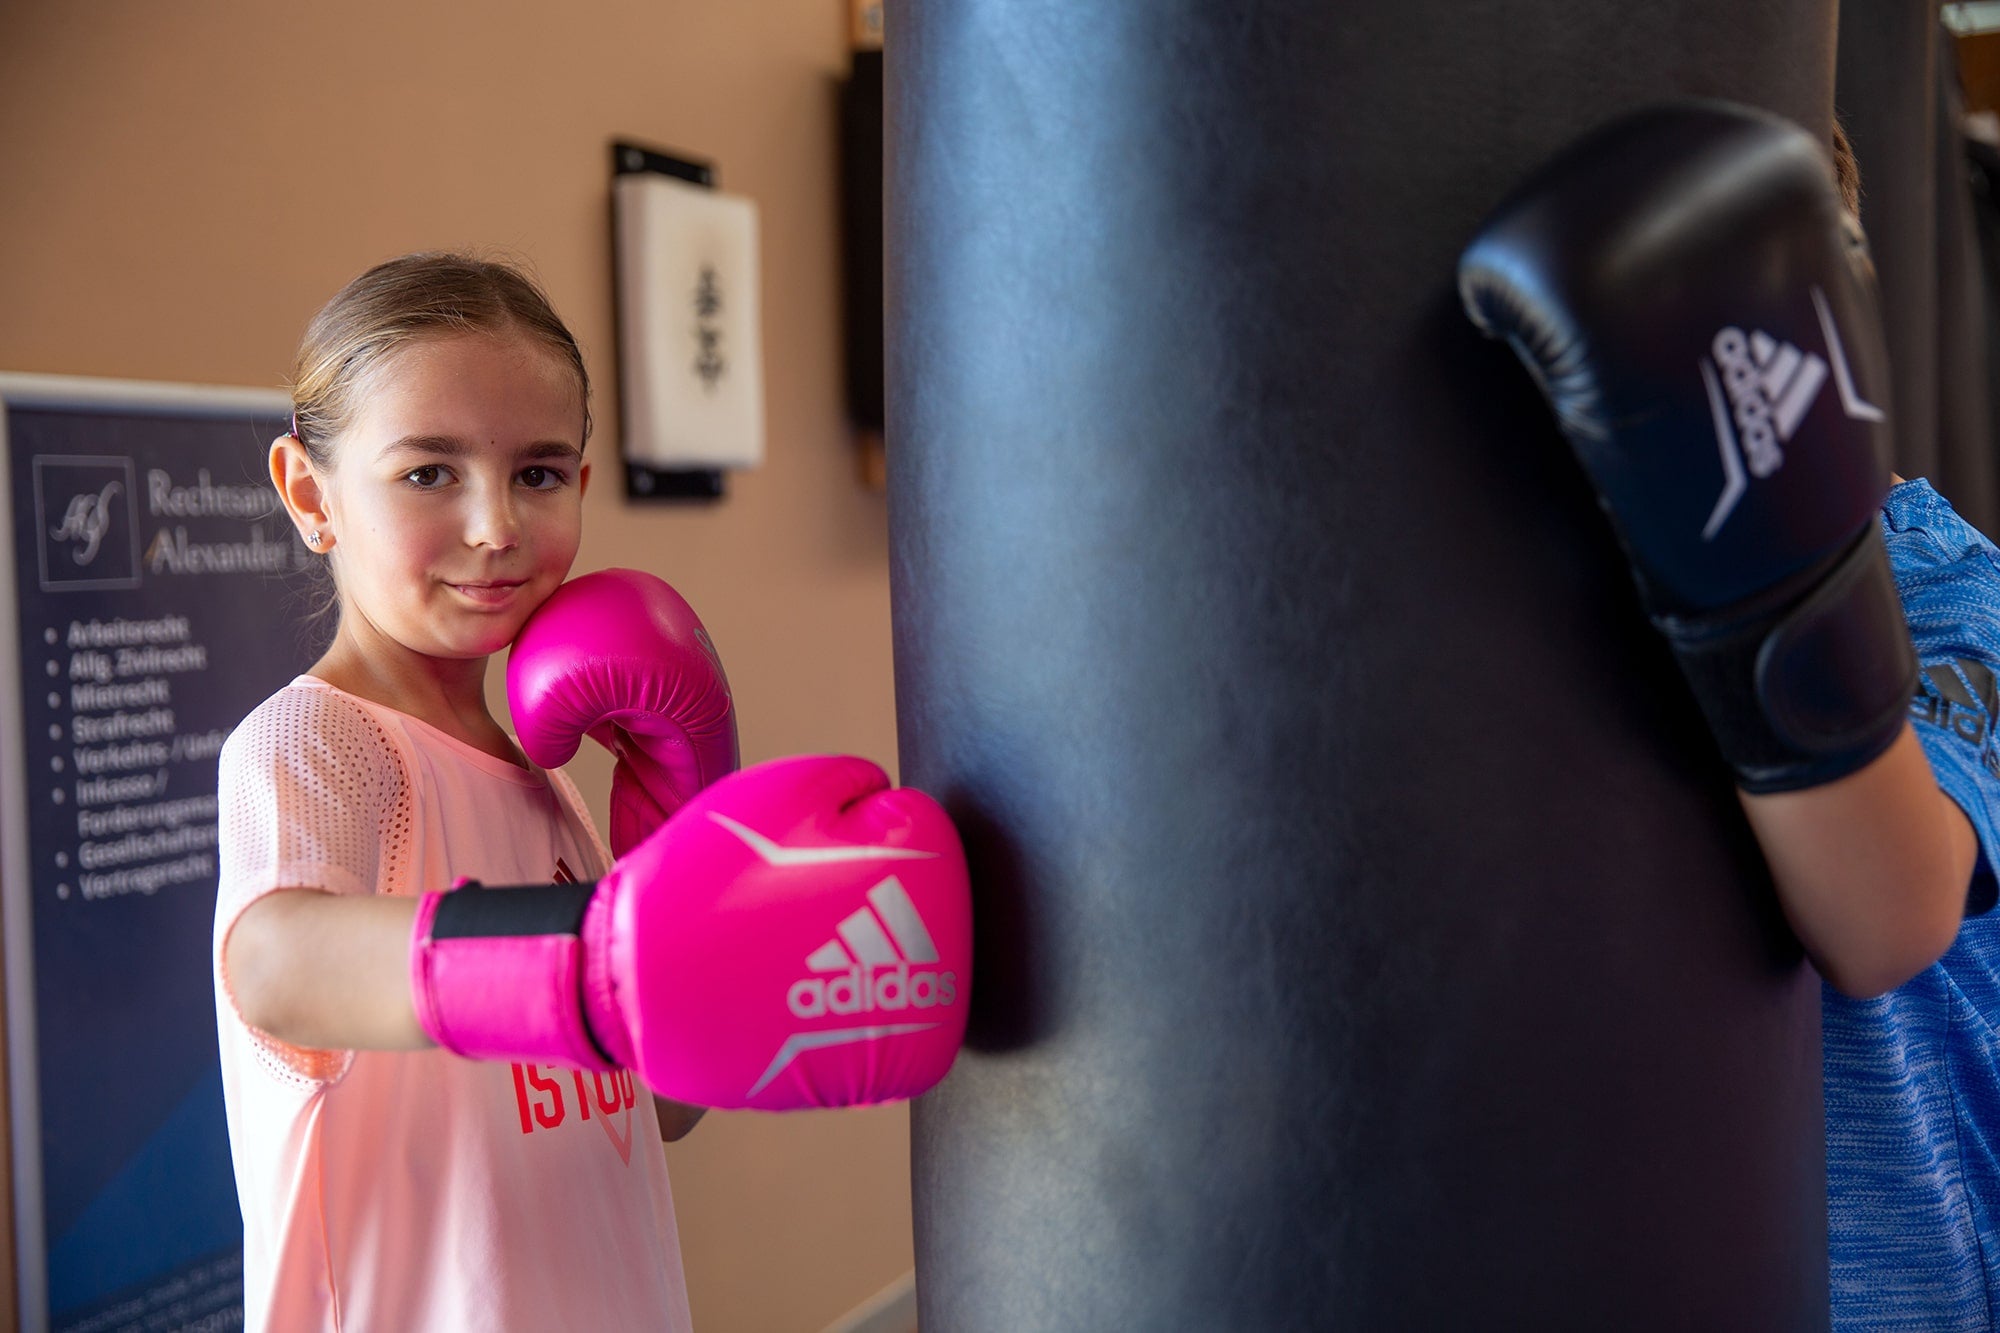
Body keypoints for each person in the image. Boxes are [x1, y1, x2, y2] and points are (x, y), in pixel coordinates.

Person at [214, 252, 971, 1331]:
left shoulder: (546, 782)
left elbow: (663, 1102)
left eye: (537, 472)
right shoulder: (320, 740)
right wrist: (591, 961)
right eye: (428, 472)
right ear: (308, 494)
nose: (494, 527)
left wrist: (681, 819)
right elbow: (275, 967)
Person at [1459, 102, 2000, 1329]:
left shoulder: (1953, 590)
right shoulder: (1494, 640)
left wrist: (1748, 507)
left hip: (1909, 1283)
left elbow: (1888, 913)